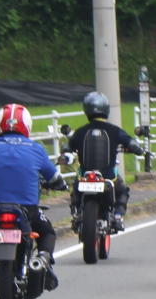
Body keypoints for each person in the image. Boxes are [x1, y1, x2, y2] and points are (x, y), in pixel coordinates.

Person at [0, 103, 63, 294]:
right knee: (47, 232)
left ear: (0, 124)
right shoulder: (36, 149)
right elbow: (54, 177)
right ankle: (43, 260)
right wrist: (59, 185)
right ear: (27, 124)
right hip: (27, 209)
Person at [62, 90, 145, 229]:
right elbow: (132, 144)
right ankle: (118, 216)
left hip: (85, 176)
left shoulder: (80, 131)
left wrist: (67, 152)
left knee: (76, 188)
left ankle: (76, 214)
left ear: (86, 109)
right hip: (107, 177)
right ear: (106, 109)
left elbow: (67, 147)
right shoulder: (114, 131)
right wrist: (139, 150)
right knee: (122, 190)